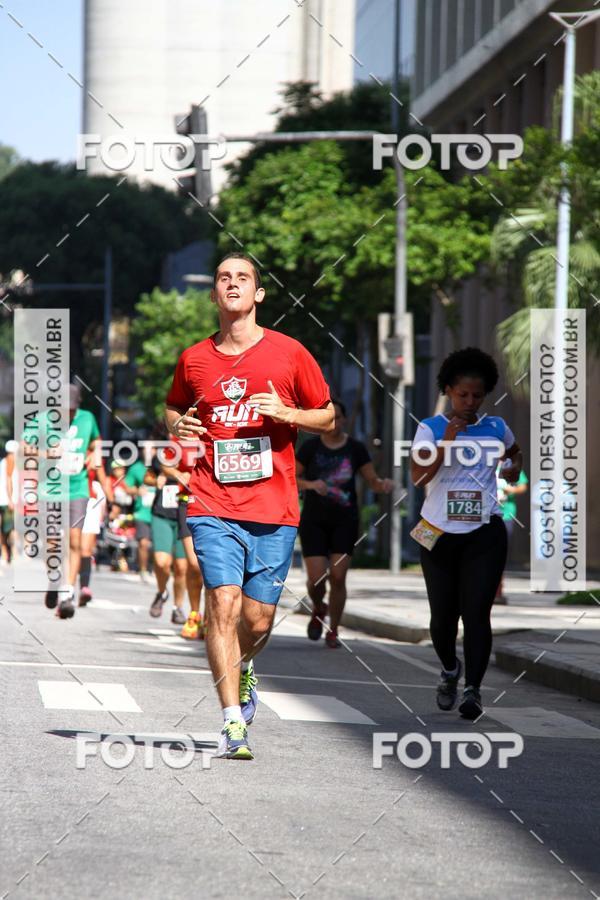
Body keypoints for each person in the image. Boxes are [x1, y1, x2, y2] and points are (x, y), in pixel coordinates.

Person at [165, 251, 333, 759]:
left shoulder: (288, 353)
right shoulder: (194, 358)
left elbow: (326, 417)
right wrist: (179, 425)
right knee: (221, 602)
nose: (233, 284)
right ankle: (231, 720)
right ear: (214, 294)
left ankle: (247, 665)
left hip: (273, 507)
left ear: (258, 294)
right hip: (212, 500)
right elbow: (173, 405)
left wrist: (286, 412)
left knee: (258, 620)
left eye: (243, 278)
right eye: (223, 278)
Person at [409, 347, 523, 720]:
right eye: (462, 395)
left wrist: (511, 468)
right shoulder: (430, 427)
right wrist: (449, 439)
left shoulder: (496, 428)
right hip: (439, 532)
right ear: (448, 391)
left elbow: (515, 455)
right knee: (443, 618)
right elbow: (418, 476)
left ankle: (473, 689)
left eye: (477, 395)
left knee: (477, 613)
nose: (470, 402)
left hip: (485, 530)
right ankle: (449, 669)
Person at [296, 400, 393, 647]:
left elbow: (371, 479)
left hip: (345, 520)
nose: (334, 422)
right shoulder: (310, 447)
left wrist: (382, 485)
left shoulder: (356, 448)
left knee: (338, 577)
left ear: (345, 419)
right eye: (330, 418)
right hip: (314, 520)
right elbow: (290, 478)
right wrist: (310, 485)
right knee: (317, 580)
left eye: (338, 417)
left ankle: (333, 629)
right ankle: (319, 606)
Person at [43, 384, 112, 618]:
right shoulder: (45, 421)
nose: (69, 414)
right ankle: (54, 579)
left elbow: (96, 442)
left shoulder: (87, 419)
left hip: (78, 489)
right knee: (52, 542)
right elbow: (25, 448)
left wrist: (94, 454)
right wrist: (46, 453)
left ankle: (67, 593)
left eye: (72, 409)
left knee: (74, 539)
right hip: (51, 489)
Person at [158, 437, 205, 640]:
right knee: (194, 565)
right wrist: (178, 473)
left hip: (220, 505)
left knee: (214, 566)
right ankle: (194, 614)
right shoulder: (182, 437)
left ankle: (214, 618)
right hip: (188, 503)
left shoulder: (223, 430)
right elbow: (165, 463)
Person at [147, 445, 189, 625]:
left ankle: (177, 607)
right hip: (162, 514)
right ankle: (162, 592)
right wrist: (156, 479)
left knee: (181, 567)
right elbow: (147, 477)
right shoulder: (165, 452)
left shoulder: (200, 451)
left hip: (185, 515)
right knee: (162, 562)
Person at [78, 449, 108, 606]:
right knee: (70, 547)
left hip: (90, 501)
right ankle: (65, 588)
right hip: (67, 499)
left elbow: (102, 477)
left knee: (85, 550)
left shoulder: (94, 452)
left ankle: (84, 587)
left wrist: (110, 498)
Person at [495, 465, 528, 604]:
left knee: (499, 554)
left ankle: (498, 591)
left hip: (506, 515)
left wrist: (510, 490)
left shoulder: (510, 463)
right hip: (485, 515)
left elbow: (523, 486)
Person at [124, 455, 156, 582]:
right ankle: (143, 571)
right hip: (142, 512)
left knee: (157, 546)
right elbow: (126, 487)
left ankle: (154, 569)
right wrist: (137, 490)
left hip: (158, 512)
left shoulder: (162, 467)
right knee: (143, 543)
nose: (148, 451)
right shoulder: (136, 468)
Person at [0, 439, 18, 566]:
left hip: (3, 500)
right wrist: (11, 499)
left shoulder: (3, 461)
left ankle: (5, 553)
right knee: (10, 529)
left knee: (4, 529)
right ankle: (9, 554)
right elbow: (8, 481)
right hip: (7, 500)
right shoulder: (10, 461)